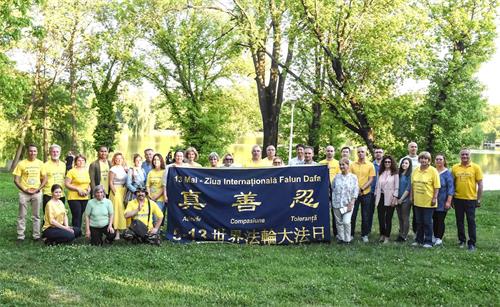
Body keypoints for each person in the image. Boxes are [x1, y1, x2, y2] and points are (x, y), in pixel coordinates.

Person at [451, 148, 483, 251]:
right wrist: (451, 198)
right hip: (458, 199)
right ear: (460, 156)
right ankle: (462, 240)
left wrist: (478, 199)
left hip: (471, 199)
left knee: (471, 221)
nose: (464, 156)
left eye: (466, 155)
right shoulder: (455, 167)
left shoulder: (476, 167)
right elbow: (451, 184)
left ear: (470, 156)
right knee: (459, 221)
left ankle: (472, 243)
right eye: (463, 155)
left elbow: (480, 184)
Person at [13, 144, 46, 242]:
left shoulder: (40, 163)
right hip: (24, 193)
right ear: (28, 152)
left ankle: (36, 235)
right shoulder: (21, 164)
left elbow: (45, 178)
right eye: (31, 151)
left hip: (36, 192)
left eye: (34, 151)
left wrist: (39, 189)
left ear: (37, 152)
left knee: (36, 215)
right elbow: (16, 180)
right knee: (22, 215)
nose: (32, 153)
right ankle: (20, 236)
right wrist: (24, 189)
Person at [411, 151, 440, 248]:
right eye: (422, 158)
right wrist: (412, 197)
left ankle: (428, 241)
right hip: (418, 200)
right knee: (419, 222)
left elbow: (437, 186)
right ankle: (419, 240)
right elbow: (412, 185)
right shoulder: (415, 170)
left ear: (429, 160)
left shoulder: (433, 171)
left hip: (428, 201)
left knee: (427, 222)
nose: (423, 160)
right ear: (419, 159)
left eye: (426, 158)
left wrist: (434, 198)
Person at [350, 146, 376, 242]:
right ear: (357, 153)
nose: (361, 153)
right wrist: (356, 190)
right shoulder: (352, 165)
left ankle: (364, 234)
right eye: (359, 152)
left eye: (362, 152)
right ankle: (351, 234)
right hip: (354, 194)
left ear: (366, 153)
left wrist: (362, 189)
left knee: (365, 215)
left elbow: (371, 179)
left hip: (366, 193)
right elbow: (350, 178)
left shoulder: (370, 165)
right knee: (353, 215)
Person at [331, 158, 358, 244]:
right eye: (340, 165)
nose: (342, 166)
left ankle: (347, 239)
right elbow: (333, 188)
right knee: (339, 222)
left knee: (346, 222)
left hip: (348, 204)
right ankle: (341, 238)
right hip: (337, 203)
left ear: (348, 165)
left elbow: (355, 190)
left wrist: (352, 202)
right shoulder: (336, 177)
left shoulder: (353, 177)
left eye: (343, 164)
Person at [374, 155, 399, 243]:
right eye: (385, 162)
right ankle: (382, 234)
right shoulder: (380, 172)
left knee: (388, 218)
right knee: (381, 218)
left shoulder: (395, 173)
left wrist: (395, 198)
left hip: (390, 197)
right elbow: (377, 184)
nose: (387, 163)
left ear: (391, 163)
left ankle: (387, 237)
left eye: (389, 162)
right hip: (380, 197)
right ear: (383, 163)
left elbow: (397, 187)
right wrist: (375, 195)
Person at [433, 154, 454, 246]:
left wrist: (448, 201)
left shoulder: (447, 173)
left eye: (440, 159)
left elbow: (451, 188)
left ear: (444, 161)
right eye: (437, 159)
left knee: (440, 219)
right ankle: (434, 236)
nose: (438, 161)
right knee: (433, 219)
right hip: (432, 200)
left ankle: (439, 238)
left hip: (443, 200)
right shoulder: (432, 171)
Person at [65, 154, 91, 229]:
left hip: (85, 197)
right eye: (79, 160)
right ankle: (76, 232)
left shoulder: (86, 171)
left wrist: (89, 190)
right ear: (75, 162)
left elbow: (88, 183)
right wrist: (78, 189)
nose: (81, 162)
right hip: (74, 197)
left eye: (83, 160)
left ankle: (77, 230)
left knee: (81, 214)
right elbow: (67, 184)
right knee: (77, 214)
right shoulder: (71, 171)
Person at [42, 144, 66, 213]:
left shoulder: (63, 165)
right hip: (49, 194)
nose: (55, 153)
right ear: (50, 153)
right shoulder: (45, 165)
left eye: (57, 152)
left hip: (61, 194)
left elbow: (64, 178)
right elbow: (42, 180)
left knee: (60, 215)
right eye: (53, 151)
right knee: (48, 216)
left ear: (60, 153)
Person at [108, 152, 128, 239]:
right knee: (117, 211)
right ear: (114, 160)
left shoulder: (124, 169)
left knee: (123, 210)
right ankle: (116, 232)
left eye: (120, 158)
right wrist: (115, 193)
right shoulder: (113, 169)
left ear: (122, 159)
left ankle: (124, 229)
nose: (118, 160)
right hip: (115, 191)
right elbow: (110, 183)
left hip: (123, 190)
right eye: (117, 159)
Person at [395, 157, 412, 242]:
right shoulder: (398, 174)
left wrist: (401, 199)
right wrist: (396, 198)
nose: (404, 164)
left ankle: (404, 235)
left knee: (405, 217)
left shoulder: (410, 175)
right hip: (397, 199)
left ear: (409, 165)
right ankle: (400, 233)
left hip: (405, 199)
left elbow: (408, 189)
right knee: (400, 217)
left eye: (406, 163)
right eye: (403, 163)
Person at [147, 153, 166, 218]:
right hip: (150, 197)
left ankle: (157, 228)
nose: (156, 161)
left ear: (161, 161)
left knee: (156, 217)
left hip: (160, 199)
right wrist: (149, 195)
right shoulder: (150, 172)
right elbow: (147, 185)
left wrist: (156, 197)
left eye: (158, 159)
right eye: (154, 159)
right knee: (150, 217)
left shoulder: (164, 172)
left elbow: (164, 186)